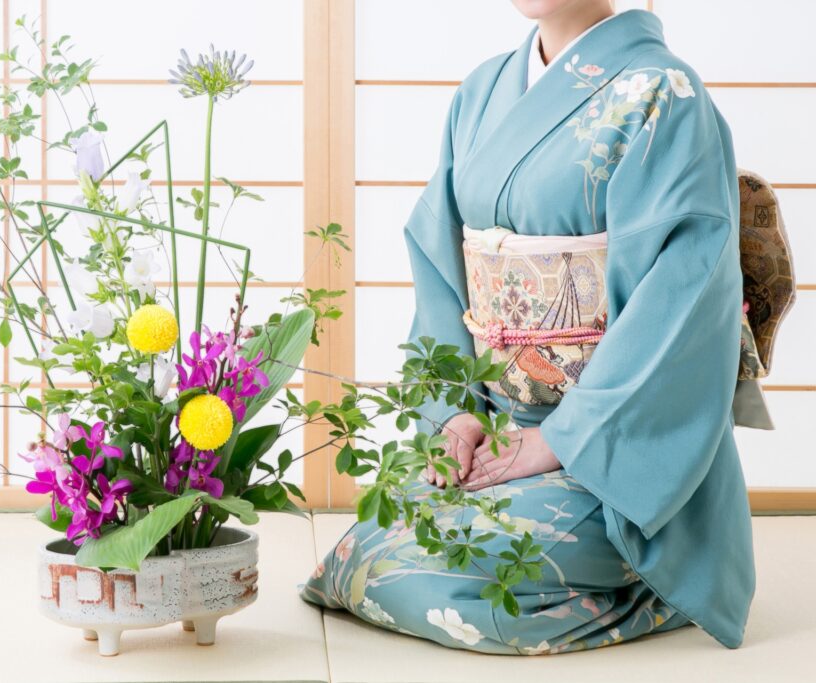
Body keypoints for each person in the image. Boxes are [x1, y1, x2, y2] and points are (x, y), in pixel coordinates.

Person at [300, 1, 759, 654]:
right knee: (368, 543)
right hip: (495, 433)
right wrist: (457, 415)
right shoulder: (481, 92)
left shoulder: (665, 95)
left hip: (609, 453)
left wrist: (559, 441)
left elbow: (680, 303)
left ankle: (657, 579)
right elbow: (442, 266)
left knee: (463, 575)